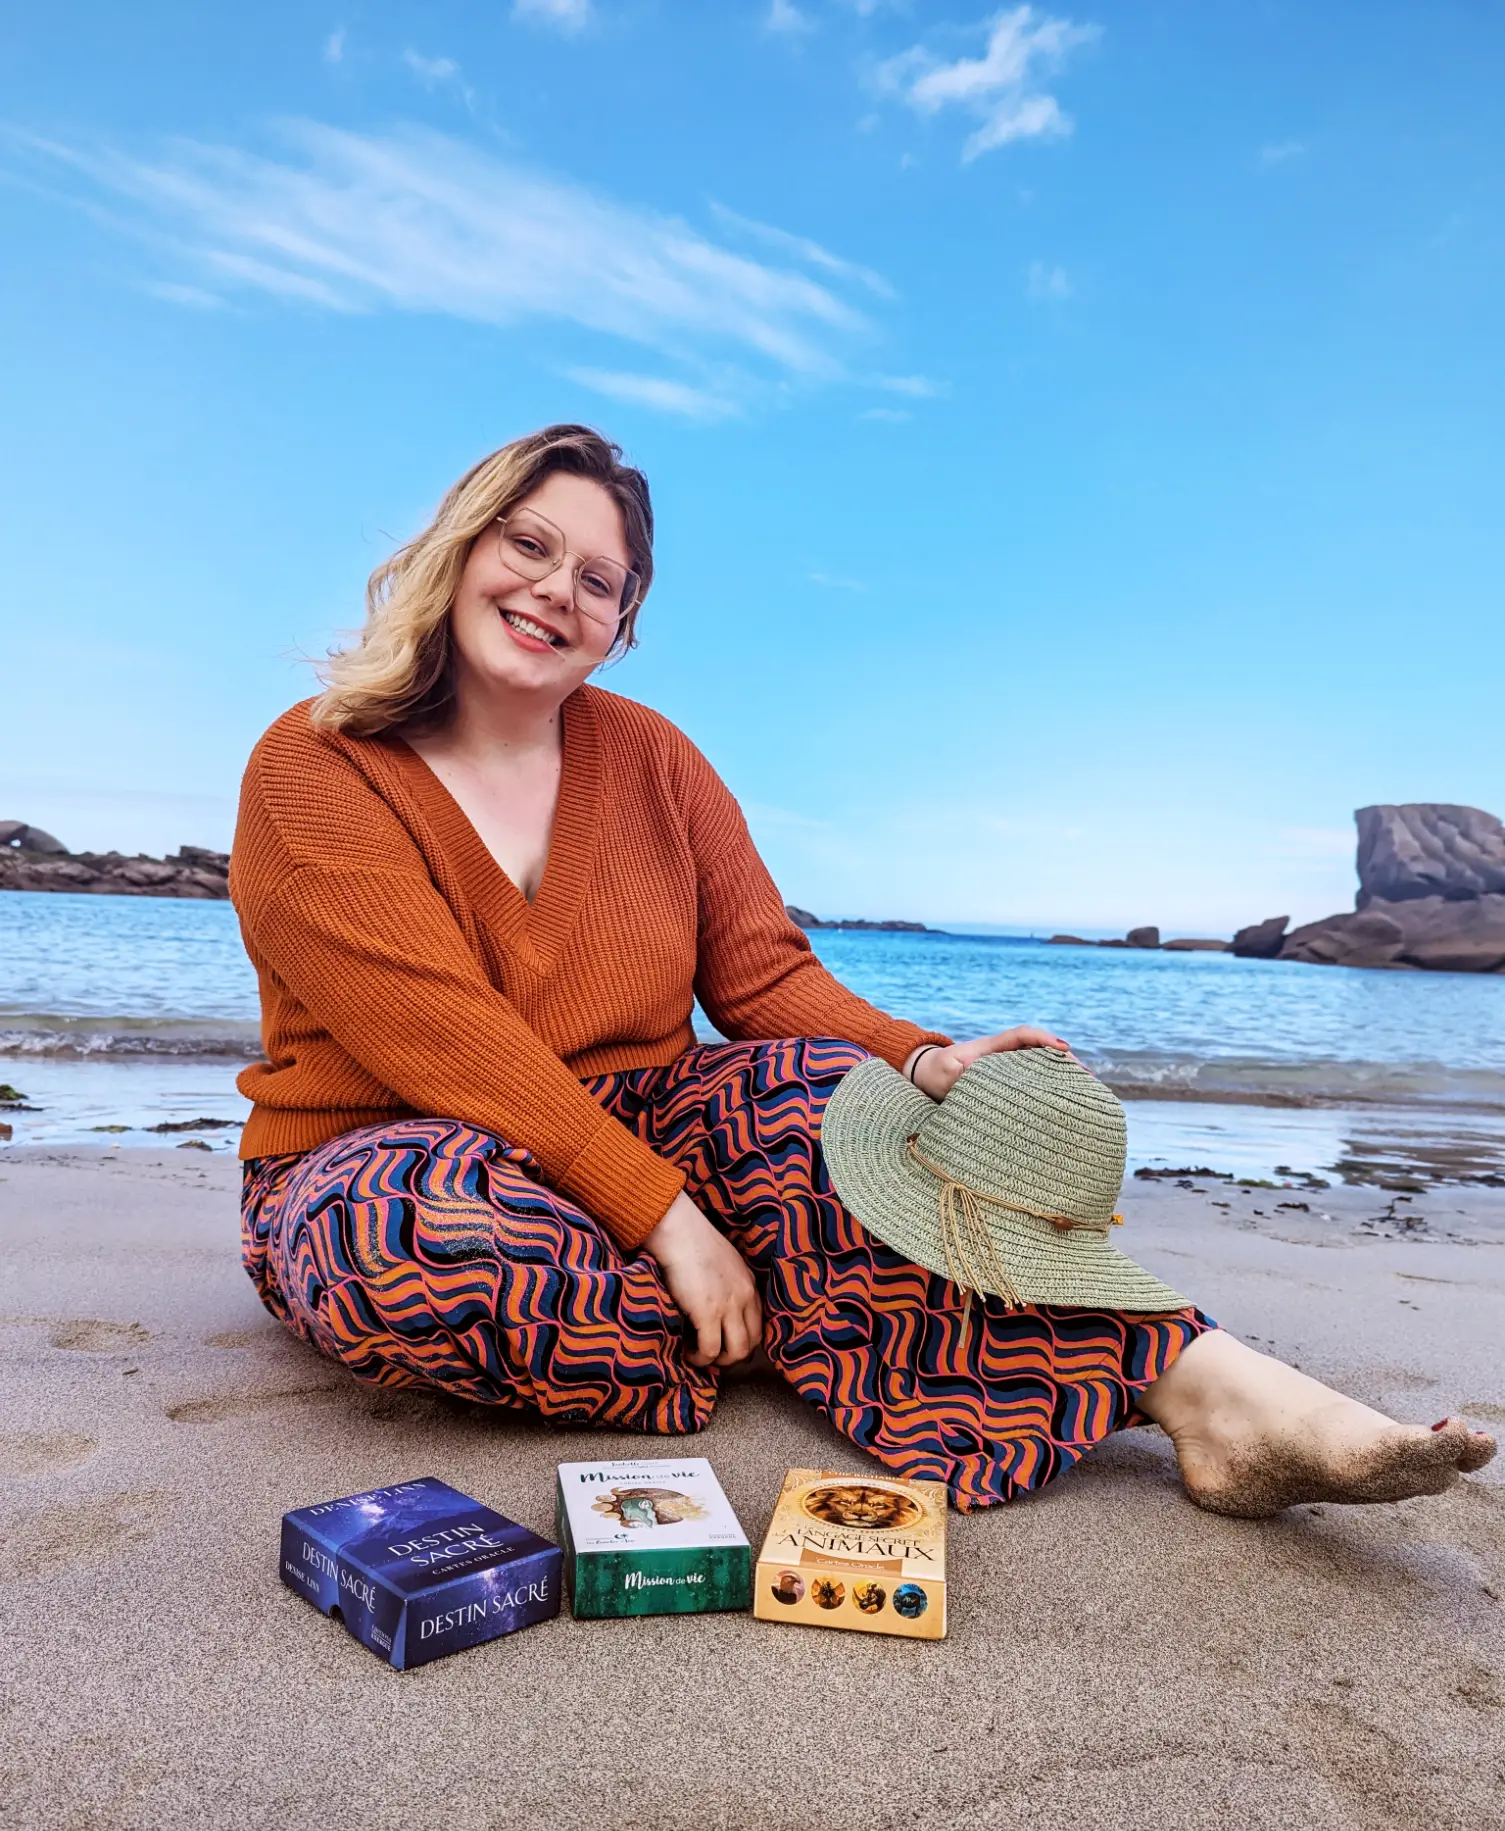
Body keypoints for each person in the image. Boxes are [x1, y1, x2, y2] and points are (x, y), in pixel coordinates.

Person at [231, 424, 1495, 1514]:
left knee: (820, 1101)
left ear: (622, 625)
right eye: (528, 545)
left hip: (643, 1120)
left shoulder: (653, 758)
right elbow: (451, 1041)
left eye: (600, 578)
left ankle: (1211, 1392)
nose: (559, 589)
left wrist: (920, 1059)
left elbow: (763, 977)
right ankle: (814, 1317)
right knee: (418, 1240)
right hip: (392, 1143)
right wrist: (669, 1219)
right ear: (458, 549)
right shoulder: (317, 763)